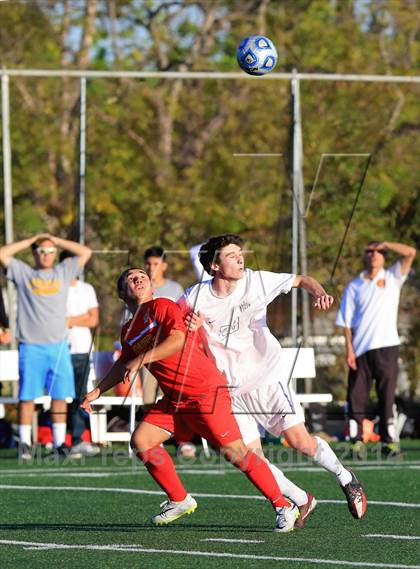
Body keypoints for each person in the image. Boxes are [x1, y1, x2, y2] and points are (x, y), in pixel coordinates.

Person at [82, 267, 312, 532]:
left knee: (237, 454)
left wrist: (140, 359)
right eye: (130, 278)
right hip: (175, 401)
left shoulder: (161, 306)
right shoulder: (128, 330)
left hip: (204, 393)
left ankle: (284, 505)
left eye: (142, 275)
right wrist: (97, 392)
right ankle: (179, 499)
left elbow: (177, 340)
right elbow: (123, 364)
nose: (139, 278)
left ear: (152, 286)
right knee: (142, 441)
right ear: (122, 293)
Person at [182, 234, 367, 520]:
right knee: (250, 459)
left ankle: (345, 477)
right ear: (215, 266)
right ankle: (300, 499)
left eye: (240, 252)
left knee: (301, 443)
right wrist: (188, 325)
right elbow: (175, 327)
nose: (240, 258)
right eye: (231, 255)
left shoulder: (256, 281)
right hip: (230, 390)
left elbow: (301, 279)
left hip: (266, 377)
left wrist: (318, 292)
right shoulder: (194, 297)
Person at [0, 233, 92, 459]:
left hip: (59, 346)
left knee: (60, 397)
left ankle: (60, 444)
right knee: (27, 397)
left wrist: (54, 240)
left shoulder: (63, 271)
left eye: (50, 251)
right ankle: (24, 444)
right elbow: (2, 253)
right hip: (31, 346)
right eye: (41, 251)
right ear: (34, 253)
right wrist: (33, 239)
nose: (46, 255)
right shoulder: (24, 274)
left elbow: (86, 252)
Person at [336, 240, 416, 457]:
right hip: (360, 351)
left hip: (387, 348)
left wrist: (388, 244)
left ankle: (389, 443)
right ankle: (356, 442)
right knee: (356, 397)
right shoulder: (354, 286)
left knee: (387, 397)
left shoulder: (392, 278)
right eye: (369, 251)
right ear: (365, 255)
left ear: (384, 255)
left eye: (378, 251)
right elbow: (346, 322)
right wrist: (349, 350)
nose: (374, 254)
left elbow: (411, 252)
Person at [143, 246, 195, 457]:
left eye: (156, 264)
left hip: (173, 354)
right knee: (148, 397)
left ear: (163, 265)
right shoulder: (139, 288)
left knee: (178, 397)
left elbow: (183, 320)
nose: (151, 267)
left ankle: (182, 440)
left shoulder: (175, 288)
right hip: (148, 354)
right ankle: (153, 440)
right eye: (148, 263)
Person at [59, 250, 100, 458]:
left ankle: (79, 439)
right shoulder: (56, 289)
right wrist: (79, 317)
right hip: (60, 349)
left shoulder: (87, 289)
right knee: (61, 396)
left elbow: (93, 320)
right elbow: (56, 319)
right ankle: (60, 441)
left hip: (83, 350)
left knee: (81, 395)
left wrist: (70, 320)